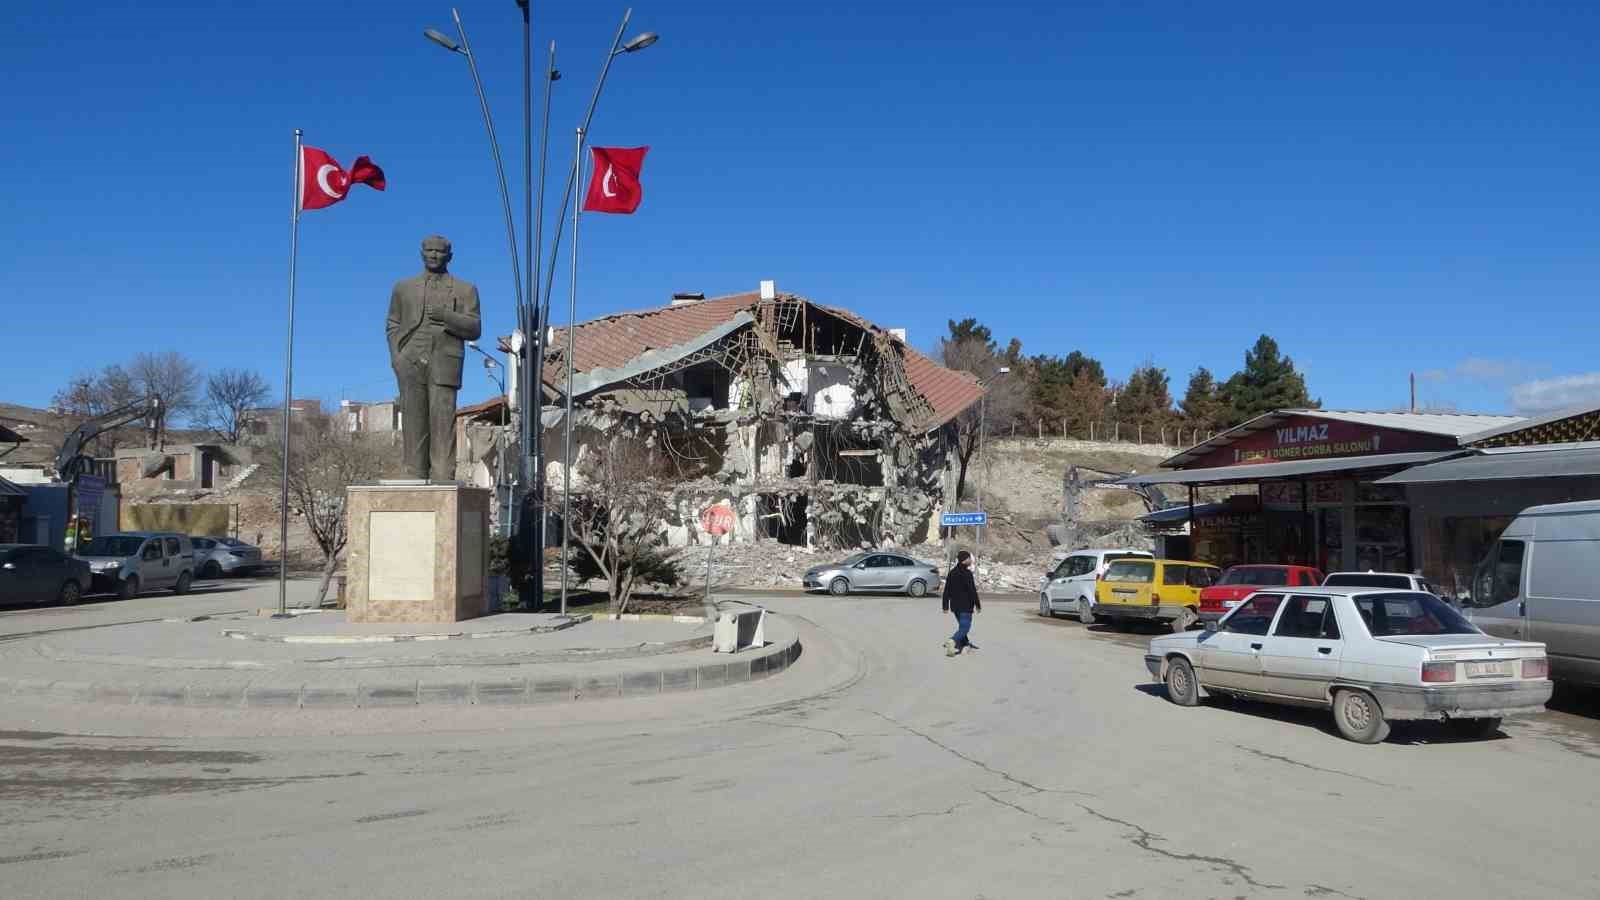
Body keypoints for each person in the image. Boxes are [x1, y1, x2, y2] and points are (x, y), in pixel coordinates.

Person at [941, 550, 981, 656]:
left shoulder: (952, 573)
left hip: (955, 607)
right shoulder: (967, 574)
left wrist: (945, 606)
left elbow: (946, 590)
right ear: (965, 560)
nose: (971, 560)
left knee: (962, 626)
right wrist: (978, 605)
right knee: (965, 627)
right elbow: (972, 591)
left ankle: (965, 644)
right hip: (966, 606)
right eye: (969, 558)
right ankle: (952, 641)